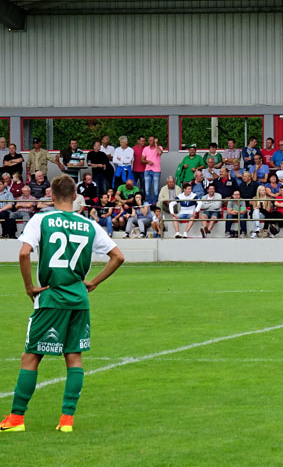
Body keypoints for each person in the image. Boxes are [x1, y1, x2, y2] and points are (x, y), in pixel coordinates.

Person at [0, 175, 123, 434]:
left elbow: (24, 253)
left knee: (31, 357)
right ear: (75, 196)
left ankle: (16, 418)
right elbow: (118, 256)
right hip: (79, 299)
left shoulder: (41, 220)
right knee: (74, 357)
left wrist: (29, 287)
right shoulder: (89, 225)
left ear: (52, 196)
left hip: (51, 297)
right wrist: (94, 282)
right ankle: (67, 420)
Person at [141, 136, 164, 209]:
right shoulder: (146, 148)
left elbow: (160, 153)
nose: (151, 142)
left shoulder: (159, 147)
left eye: (152, 140)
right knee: (147, 189)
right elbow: (142, 160)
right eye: (149, 140)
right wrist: (148, 161)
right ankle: (150, 203)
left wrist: (156, 144)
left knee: (156, 189)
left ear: (155, 141)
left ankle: (155, 203)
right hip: (147, 170)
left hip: (156, 171)